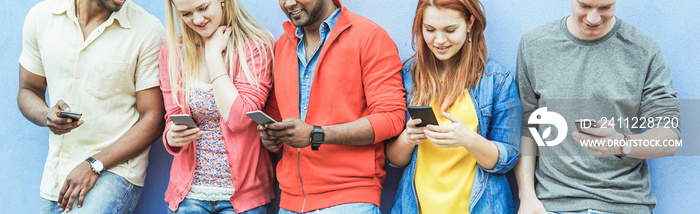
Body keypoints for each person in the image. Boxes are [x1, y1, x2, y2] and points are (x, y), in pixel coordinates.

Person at [515, 0, 681, 213]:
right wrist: (526, 195)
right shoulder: (534, 45)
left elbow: (671, 139)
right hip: (553, 204)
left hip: (624, 204)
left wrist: (622, 144)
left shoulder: (644, 50)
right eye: (584, 6)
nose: (593, 18)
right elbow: (527, 127)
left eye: (605, 7)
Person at [257, 0, 406, 213]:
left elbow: (392, 118)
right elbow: (276, 116)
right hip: (289, 203)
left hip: (350, 201)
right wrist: (272, 137)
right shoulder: (282, 45)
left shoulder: (370, 37)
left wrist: (316, 135)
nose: (289, 3)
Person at [17, 0, 165, 213]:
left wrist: (95, 164)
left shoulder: (148, 30)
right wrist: (46, 116)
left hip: (116, 170)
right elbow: (28, 90)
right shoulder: (41, 17)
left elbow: (153, 118)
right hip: (57, 176)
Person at [386, 0, 522, 213]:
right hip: (416, 207)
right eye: (429, 29)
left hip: (480, 207)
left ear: (470, 24)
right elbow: (393, 160)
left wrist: (469, 139)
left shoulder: (497, 79)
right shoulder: (407, 75)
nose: (439, 40)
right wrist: (407, 138)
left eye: (450, 30)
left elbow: (509, 157)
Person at [159, 0, 275, 213]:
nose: (197, 20)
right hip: (188, 197)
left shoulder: (255, 46)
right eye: (186, 14)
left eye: (203, 8)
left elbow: (239, 119)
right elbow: (172, 115)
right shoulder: (174, 51)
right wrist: (171, 137)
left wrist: (213, 56)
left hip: (242, 199)